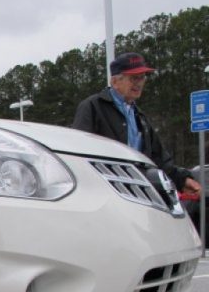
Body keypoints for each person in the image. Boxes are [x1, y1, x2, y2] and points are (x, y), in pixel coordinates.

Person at [73, 52, 201, 196]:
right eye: (133, 78)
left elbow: (159, 158)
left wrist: (182, 180)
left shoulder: (140, 117)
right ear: (115, 81)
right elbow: (79, 153)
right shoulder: (92, 107)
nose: (139, 83)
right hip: (106, 195)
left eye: (142, 77)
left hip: (139, 195)